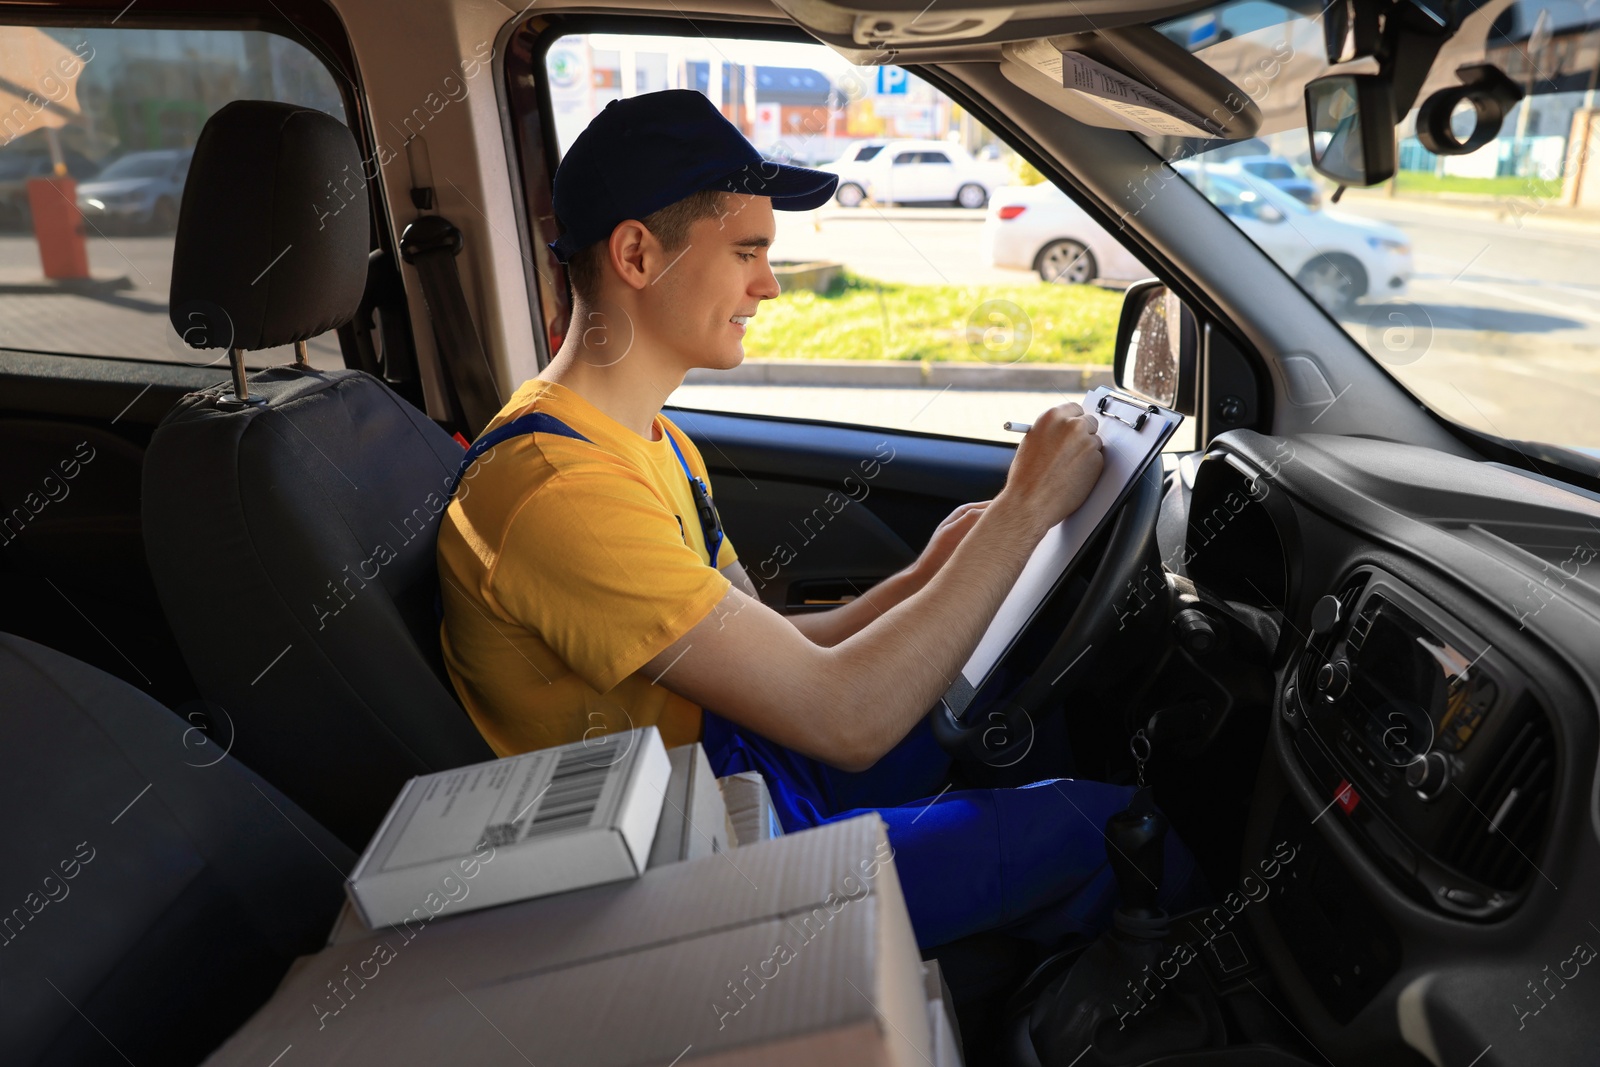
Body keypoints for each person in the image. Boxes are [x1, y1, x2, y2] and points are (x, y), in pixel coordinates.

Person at [436, 89, 1202, 951]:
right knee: (1107, 827)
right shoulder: (557, 489)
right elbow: (846, 718)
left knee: (1027, 737)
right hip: (698, 864)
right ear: (637, 254)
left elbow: (774, 646)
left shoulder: (650, 441)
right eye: (747, 251)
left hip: (744, 776)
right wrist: (1022, 514)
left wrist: (927, 574)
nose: (768, 284)